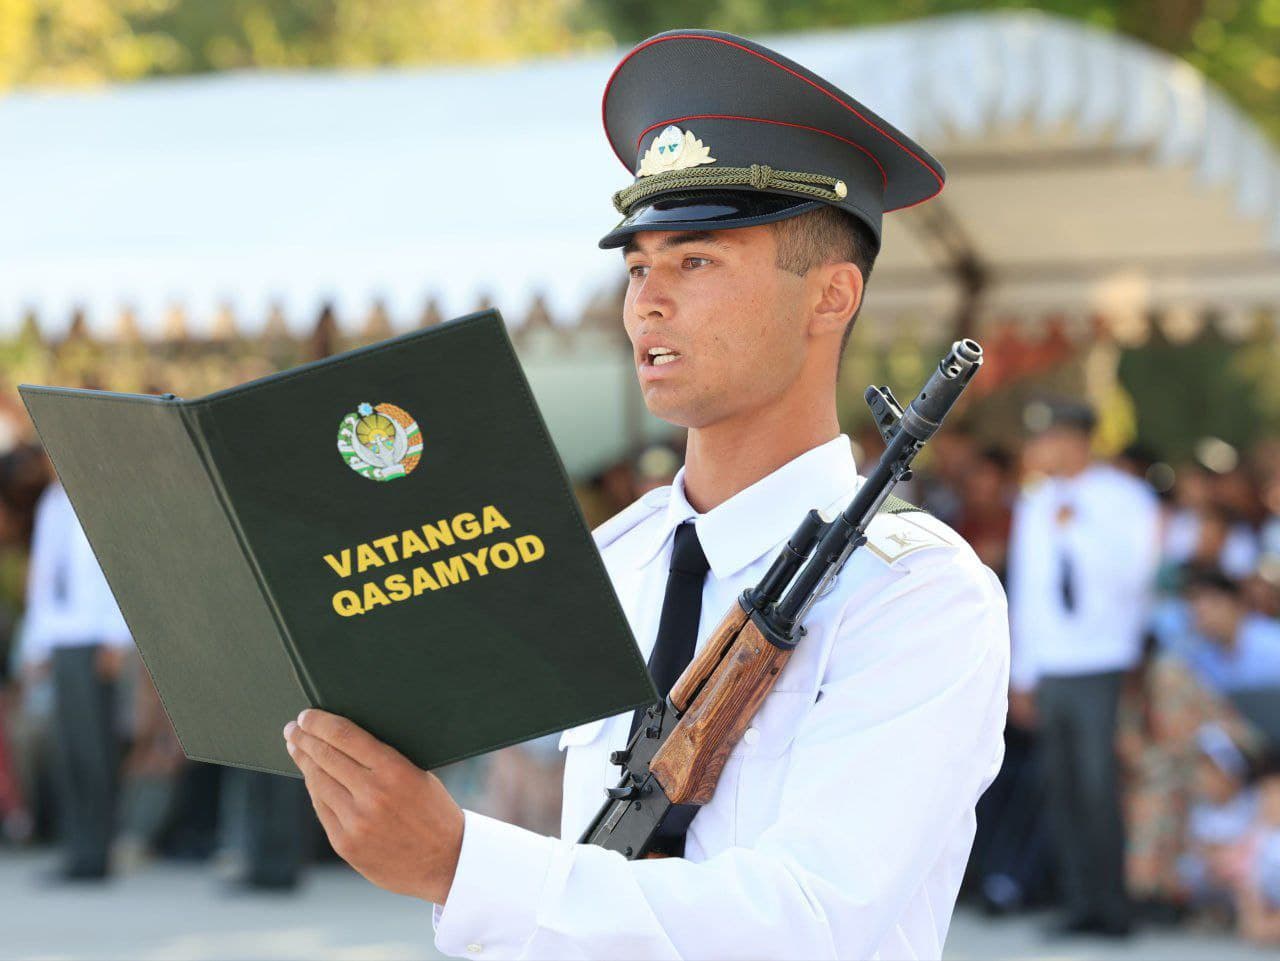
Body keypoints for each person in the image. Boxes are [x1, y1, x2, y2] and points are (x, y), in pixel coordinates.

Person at [281, 29, 1009, 959]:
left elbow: (812, 923)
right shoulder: (616, 556)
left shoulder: (918, 596)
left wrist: (462, 864)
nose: (647, 302)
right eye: (636, 267)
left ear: (830, 296)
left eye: (695, 261)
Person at [1007, 398, 1160, 936]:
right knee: (1062, 786)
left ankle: (1114, 906)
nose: (1040, 449)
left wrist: (1079, 531)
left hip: (1103, 659)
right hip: (1051, 662)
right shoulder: (1035, 501)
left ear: (1075, 440)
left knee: (1100, 784)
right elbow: (1027, 590)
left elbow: (1136, 576)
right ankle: (1078, 902)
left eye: (1048, 437)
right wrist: (1022, 673)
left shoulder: (1125, 497)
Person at [22, 474, 133, 880]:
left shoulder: (102, 491)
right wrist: (36, 644)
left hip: (94, 638)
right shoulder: (53, 501)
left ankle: (96, 852)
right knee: (67, 749)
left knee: (94, 749)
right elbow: (44, 572)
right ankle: (76, 848)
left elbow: (118, 567)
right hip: (61, 637)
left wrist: (117, 637)